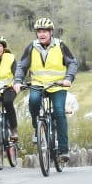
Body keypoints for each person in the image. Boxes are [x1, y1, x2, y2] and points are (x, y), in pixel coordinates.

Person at [12, 17, 78, 162]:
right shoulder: (32, 47)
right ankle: (38, 128)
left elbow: (72, 63)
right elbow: (22, 66)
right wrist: (17, 81)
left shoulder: (60, 46)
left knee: (59, 113)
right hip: (37, 84)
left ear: (51, 32)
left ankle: (63, 149)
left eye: (45, 31)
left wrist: (68, 78)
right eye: (39, 31)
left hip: (57, 86)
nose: (41, 34)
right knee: (33, 101)